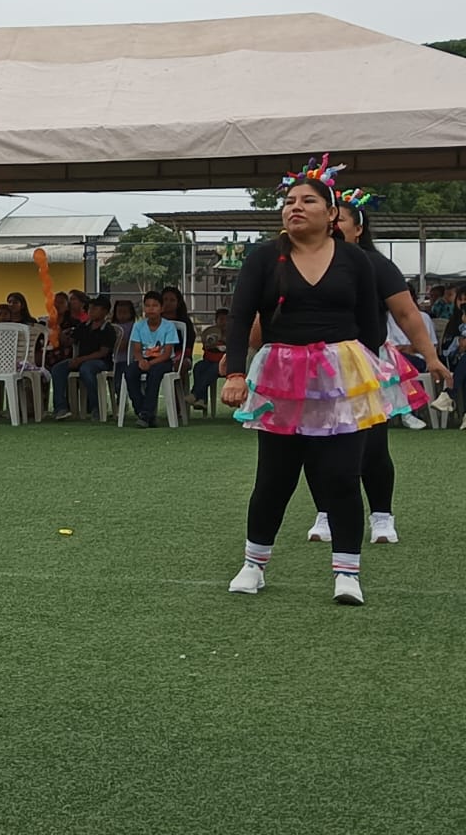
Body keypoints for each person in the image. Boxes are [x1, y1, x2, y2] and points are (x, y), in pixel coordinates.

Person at [222, 156, 401, 606]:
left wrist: (353, 367)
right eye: (289, 201)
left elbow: (371, 324)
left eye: (307, 201)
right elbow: (241, 317)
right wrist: (237, 372)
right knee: (274, 478)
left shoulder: (356, 260)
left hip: (341, 377)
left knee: (341, 476)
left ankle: (347, 573)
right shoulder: (265, 258)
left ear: (331, 212)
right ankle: (254, 565)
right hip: (281, 376)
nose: (295, 207)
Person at [303, 187, 450, 545]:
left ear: (358, 229)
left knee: (371, 445)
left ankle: (382, 516)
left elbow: (406, 313)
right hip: (316, 364)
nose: (334, 227)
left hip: (365, 363)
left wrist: (431, 356)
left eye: (341, 221)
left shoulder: (375, 264)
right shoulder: (304, 261)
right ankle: (325, 512)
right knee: (316, 442)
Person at [49, 295, 117, 420]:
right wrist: (59, 333)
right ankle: (60, 407)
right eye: (90, 308)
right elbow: (70, 342)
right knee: (58, 369)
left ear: (105, 311)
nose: (91, 311)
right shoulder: (84, 326)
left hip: (101, 362)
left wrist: (80, 359)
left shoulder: (108, 329)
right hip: (81, 360)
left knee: (86, 369)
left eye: (95, 308)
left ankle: (96, 406)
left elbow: (102, 353)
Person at [122, 291, 181, 427]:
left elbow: (167, 353)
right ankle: (141, 410)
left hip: (162, 361)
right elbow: (136, 350)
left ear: (161, 308)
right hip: (144, 359)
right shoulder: (138, 326)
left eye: (155, 306)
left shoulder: (168, 326)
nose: (151, 309)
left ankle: (146, 413)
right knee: (129, 372)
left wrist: (151, 363)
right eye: (147, 306)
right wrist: (141, 360)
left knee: (154, 374)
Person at [189, 308, 229, 412]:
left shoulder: (233, 334)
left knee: (213, 369)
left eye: (226, 319)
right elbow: (206, 347)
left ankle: (194, 394)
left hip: (225, 364)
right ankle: (202, 400)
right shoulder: (211, 333)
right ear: (216, 320)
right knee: (198, 367)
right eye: (221, 319)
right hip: (209, 361)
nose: (224, 322)